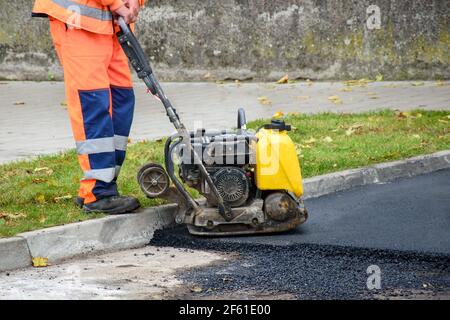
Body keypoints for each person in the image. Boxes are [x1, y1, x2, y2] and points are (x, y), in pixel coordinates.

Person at [32, 0, 145, 214]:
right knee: (93, 102)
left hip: (111, 24)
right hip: (77, 21)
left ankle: (105, 183)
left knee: (121, 100)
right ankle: (98, 191)